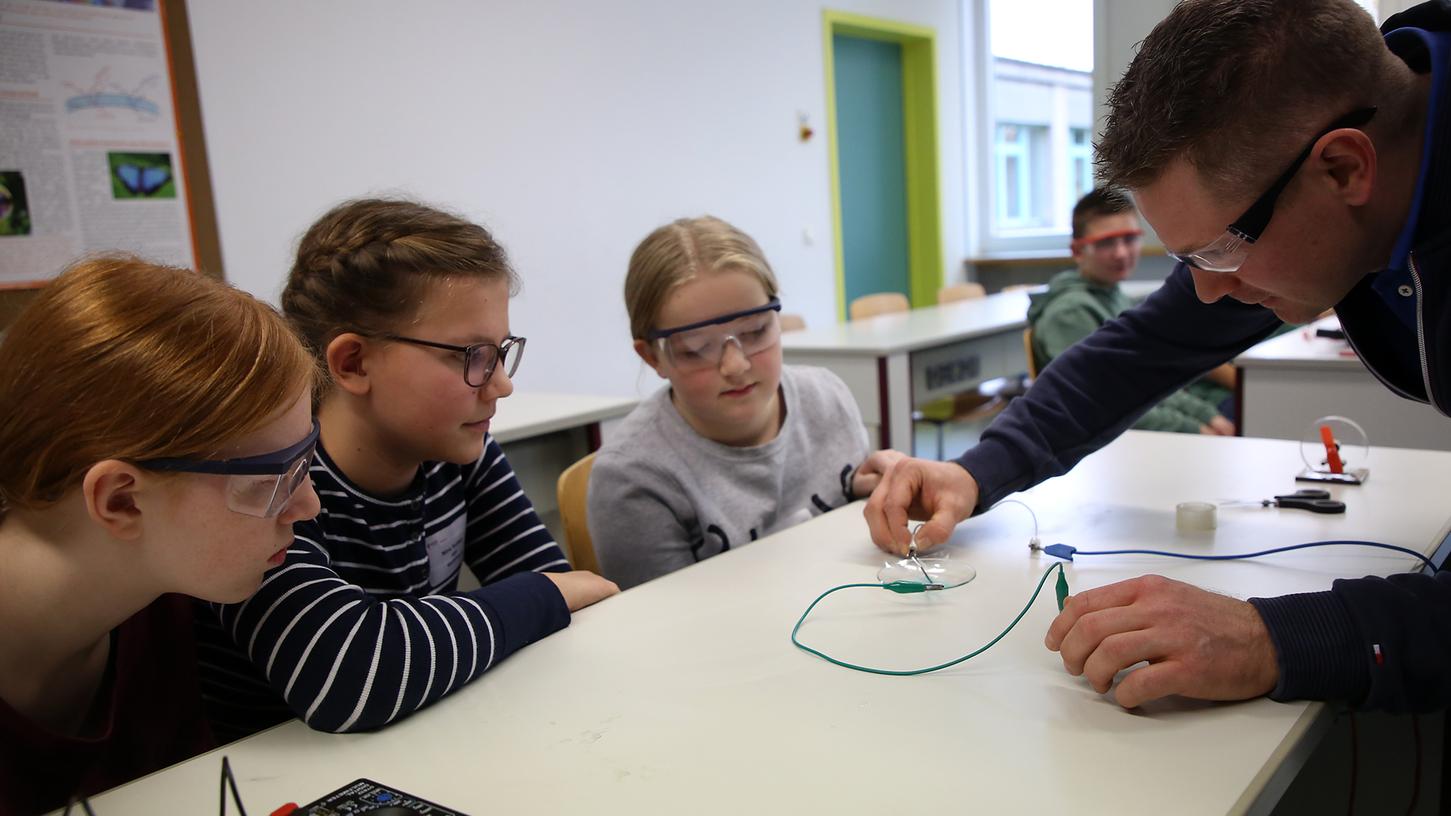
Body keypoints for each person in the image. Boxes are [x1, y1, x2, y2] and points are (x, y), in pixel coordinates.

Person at [864, 0, 1451, 713]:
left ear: (1341, 168)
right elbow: (1140, 349)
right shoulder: (1334, 158)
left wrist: (1274, 637)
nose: (1204, 293)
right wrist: (972, 470)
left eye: (1217, 250)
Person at [196, 199, 619, 739]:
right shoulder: (274, 488)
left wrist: (548, 595)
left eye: (500, 352)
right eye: (471, 355)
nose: (501, 384)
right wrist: (544, 597)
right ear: (353, 363)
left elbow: (571, 601)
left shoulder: (458, 451)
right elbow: (348, 677)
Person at [0, 255, 320, 814]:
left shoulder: (160, 596)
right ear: (121, 499)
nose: (308, 505)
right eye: (274, 478)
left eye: (306, 463)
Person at [589, 216, 900, 589]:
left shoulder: (826, 398)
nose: (735, 366)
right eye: (696, 348)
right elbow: (667, 629)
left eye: (756, 332)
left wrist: (880, 496)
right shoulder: (633, 477)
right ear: (652, 357)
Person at [1030, 187, 1236, 435]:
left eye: (1128, 238)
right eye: (1106, 242)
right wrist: (1192, 427)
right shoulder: (1069, 314)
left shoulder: (1115, 297)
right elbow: (1101, 402)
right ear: (1077, 251)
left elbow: (1149, 378)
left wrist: (1205, 415)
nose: (1121, 253)